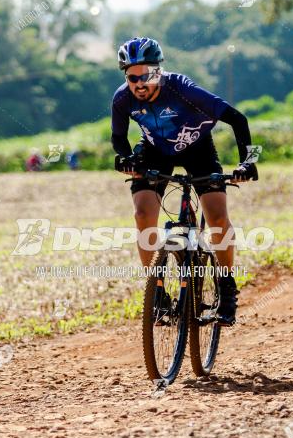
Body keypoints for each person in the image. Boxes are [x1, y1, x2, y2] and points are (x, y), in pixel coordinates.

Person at [111, 37, 258, 326]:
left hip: (198, 149)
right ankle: (158, 292)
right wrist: (126, 157)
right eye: (132, 77)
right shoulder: (122, 99)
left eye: (148, 75)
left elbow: (238, 120)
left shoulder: (181, 87)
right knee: (142, 213)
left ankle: (227, 287)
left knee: (216, 216)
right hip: (154, 152)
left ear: (159, 71)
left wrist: (247, 161)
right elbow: (118, 138)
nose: (140, 83)